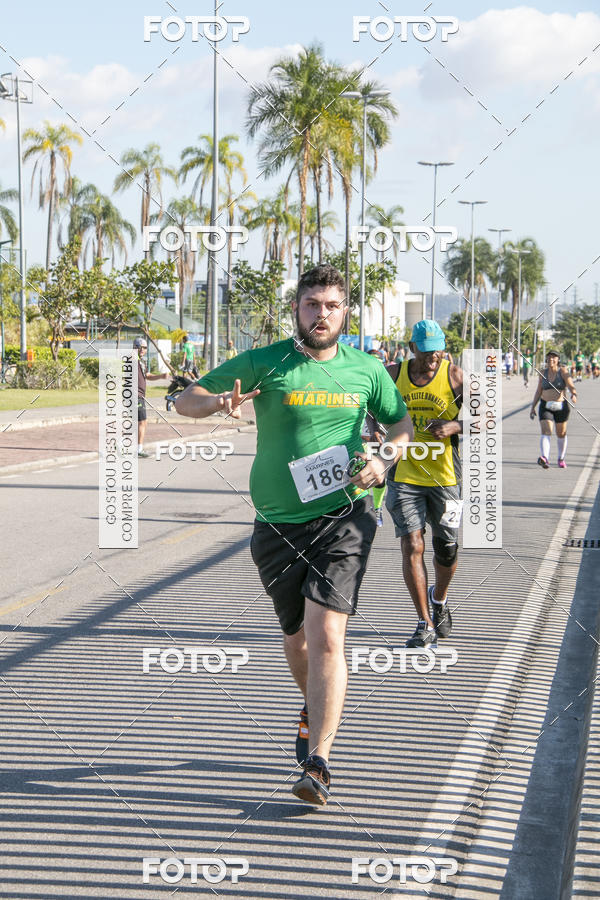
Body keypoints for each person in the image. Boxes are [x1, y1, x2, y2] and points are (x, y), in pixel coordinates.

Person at [175, 264, 413, 806]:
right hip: (277, 522)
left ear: (345, 311)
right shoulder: (266, 361)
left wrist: (385, 457)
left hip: (346, 514)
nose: (322, 314)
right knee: (296, 639)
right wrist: (215, 403)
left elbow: (400, 424)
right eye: (312, 304)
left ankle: (319, 762)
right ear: (296, 309)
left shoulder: (366, 369)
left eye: (331, 305)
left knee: (328, 633)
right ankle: (313, 705)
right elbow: (186, 399)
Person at [384, 320, 463, 648]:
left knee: (446, 549)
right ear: (413, 347)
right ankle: (423, 623)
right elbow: (367, 408)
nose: (434, 358)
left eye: (439, 351)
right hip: (404, 476)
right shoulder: (392, 374)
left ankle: (439, 599)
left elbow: (487, 416)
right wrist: (374, 428)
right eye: (428, 352)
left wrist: (455, 425)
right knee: (412, 545)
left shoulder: (454, 376)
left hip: (445, 477)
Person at [530, 350, 577, 468]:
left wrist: (573, 393)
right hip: (546, 406)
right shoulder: (542, 373)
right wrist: (533, 407)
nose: (551, 359)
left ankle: (561, 458)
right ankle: (544, 458)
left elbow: (570, 385)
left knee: (561, 433)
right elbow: (538, 391)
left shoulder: (563, 371)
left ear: (558, 360)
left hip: (561, 407)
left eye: (554, 357)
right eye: (549, 357)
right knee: (546, 430)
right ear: (546, 360)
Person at [133, 337, 167, 458]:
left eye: (145, 348)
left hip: (139, 395)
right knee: (142, 421)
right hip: (135, 395)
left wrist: (161, 376)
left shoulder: (141, 362)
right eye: (141, 347)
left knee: (136, 421)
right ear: (136, 347)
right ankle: (138, 449)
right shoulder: (131, 359)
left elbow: (147, 375)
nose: (143, 350)